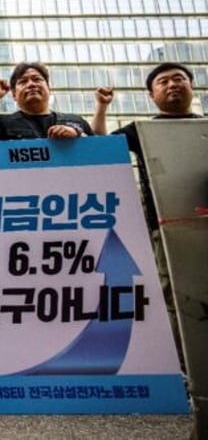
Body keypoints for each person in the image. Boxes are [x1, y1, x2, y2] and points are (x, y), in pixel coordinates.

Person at [94, 62, 201, 369]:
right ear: (152, 95)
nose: (172, 85)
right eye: (163, 82)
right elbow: (102, 148)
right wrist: (102, 108)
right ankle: (188, 371)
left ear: (192, 87)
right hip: (166, 228)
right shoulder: (142, 129)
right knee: (177, 300)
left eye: (179, 79)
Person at [0, 62, 94, 141]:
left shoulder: (76, 121)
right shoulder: (2, 123)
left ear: (49, 88)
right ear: (14, 94)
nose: (31, 84)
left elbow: (96, 150)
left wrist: (76, 134)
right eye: (23, 81)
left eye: (37, 79)